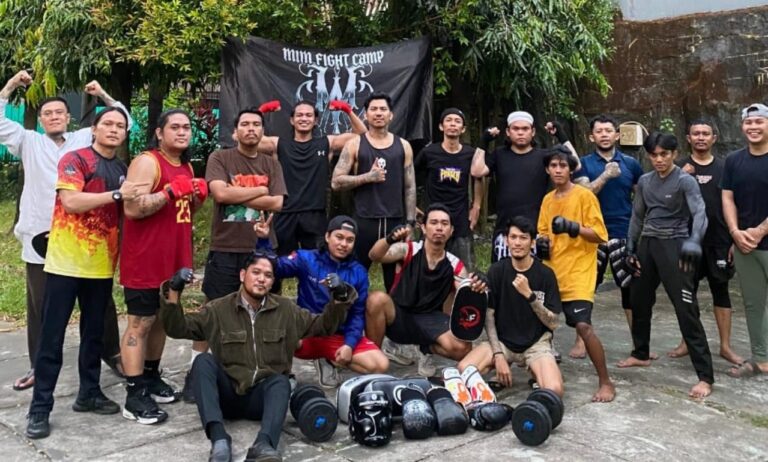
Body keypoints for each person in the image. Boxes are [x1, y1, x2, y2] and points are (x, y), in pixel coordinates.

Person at [0, 70, 129, 390]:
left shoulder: (83, 139)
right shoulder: (28, 141)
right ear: (41, 120)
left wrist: (103, 95)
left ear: (68, 118)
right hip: (41, 233)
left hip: (84, 234)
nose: (54, 117)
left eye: (59, 112)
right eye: (47, 114)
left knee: (101, 301)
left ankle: (112, 353)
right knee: (41, 303)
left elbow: (122, 120)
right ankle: (38, 364)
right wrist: (11, 85)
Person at [159, 255, 356, 462]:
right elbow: (176, 328)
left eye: (268, 275)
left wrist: (340, 295)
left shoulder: (286, 310)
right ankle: (219, 440)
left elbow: (324, 326)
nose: (262, 279)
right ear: (242, 275)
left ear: (272, 282)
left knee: (281, 381)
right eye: (256, 272)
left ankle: (264, 444)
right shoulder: (218, 309)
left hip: (261, 400)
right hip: (227, 396)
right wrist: (174, 290)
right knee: (202, 362)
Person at [25, 108, 146, 439]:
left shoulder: (122, 169)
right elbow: (71, 201)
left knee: (94, 335)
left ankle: (89, 393)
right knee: (52, 338)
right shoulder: (75, 159)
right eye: (108, 124)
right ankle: (40, 408)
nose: (114, 129)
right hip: (65, 263)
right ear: (94, 129)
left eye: (120, 126)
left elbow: (130, 212)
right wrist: (118, 194)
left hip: (101, 266)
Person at [185, 107, 287, 402]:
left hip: (262, 249)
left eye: (256, 124)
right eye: (245, 124)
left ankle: (264, 371)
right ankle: (195, 373)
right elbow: (221, 194)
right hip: (225, 248)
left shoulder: (271, 163)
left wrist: (240, 192)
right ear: (235, 132)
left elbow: (278, 203)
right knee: (212, 310)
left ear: (263, 131)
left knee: (266, 312)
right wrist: (261, 191)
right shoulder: (220, 158)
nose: (251, 129)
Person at [119, 109, 208, 424]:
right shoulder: (147, 162)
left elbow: (181, 213)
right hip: (145, 260)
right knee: (140, 324)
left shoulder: (185, 165)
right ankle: (134, 394)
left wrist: (197, 198)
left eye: (186, 127)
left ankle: (151, 375)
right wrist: (168, 191)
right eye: (175, 127)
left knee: (161, 320)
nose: (182, 132)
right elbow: (132, 208)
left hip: (173, 260)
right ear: (159, 132)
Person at [617, 132, 714, 399]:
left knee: (685, 308)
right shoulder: (645, 181)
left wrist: (694, 240)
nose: (659, 159)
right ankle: (641, 353)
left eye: (664, 154)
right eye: (654, 155)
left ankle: (705, 377)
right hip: (648, 244)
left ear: (674, 154)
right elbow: (637, 216)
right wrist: (630, 247)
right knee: (638, 300)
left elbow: (700, 212)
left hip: (675, 245)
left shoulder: (684, 180)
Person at [254, 214, 388, 387]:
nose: (343, 244)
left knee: (380, 365)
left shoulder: (359, 272)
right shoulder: (306, 258)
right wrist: (264, 240)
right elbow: (274, 269)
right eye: (339, 237)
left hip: (337, 335)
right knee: (275, 332)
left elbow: (357, 314)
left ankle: (330, 360)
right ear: (327, 236)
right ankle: (281, 376)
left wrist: (349, 345)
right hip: (305, 332)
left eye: (349, 240)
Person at [365, 203, 487, 377]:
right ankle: (373, 358)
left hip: (431, 320)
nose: (439, 228)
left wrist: (479, 283)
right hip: (399, 315)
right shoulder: (408, 249)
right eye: (434, 222)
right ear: (423, 227)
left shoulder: (456, 265)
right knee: (375, 299)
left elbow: (466, 296)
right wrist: (389, 239)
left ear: (451, 230)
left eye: (444, 224)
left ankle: (426, 349)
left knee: (462, 348)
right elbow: (374, 255)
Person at [537, 146, 615, 402]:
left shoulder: (584, 196)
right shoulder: (547, 200)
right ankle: (540, 375)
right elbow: (543, 231)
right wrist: (541, 242)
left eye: (563, 165)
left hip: (579, 271)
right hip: (552, 271)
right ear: (547, 170)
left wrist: (573, 227)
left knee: (583, 326)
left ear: (570, 169)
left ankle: (606, 382)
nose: (558, 170)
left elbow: (600, 234)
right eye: (553, 166)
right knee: (539, 326)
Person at [458, 216, 564, 396]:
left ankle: (536, 370)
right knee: (463, 370)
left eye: (523, 238)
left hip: (536, 344)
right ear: (506, 241)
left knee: (554, 390)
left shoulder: (546, 274)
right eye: (513, 237)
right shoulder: (496, 271)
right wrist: (498, 356)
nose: (517, 243)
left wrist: (530, 296)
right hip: (503, 343)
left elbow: (553, 323)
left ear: (532, 242)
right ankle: (501, 370)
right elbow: (489, 316)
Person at [667, 119, 742, 365]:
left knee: (721, 291)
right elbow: (665, 201)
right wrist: (680, 177)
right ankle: (686, 342)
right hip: (686, 241)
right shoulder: (677, 167)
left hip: (719, 240)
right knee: (686, 292)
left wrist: (734, 238)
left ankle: (725, 346)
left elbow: (736, 202)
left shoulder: (725, 167)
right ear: (688, 138)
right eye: (696, 133)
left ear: (714, 138)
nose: (700, 137)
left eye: (705, 134)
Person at [572, 114, 645, 359]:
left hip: (623, 232)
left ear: (617, 135)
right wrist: (605, 175)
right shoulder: (582, 164)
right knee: (586, 289)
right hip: (591, 235)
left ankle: (639, 344)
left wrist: (640, 228)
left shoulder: (631, 164)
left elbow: (642, 197)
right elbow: (584, 193)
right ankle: (581, 341)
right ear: (591, 137)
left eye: (608, 130)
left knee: (630, 290)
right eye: (599, 131)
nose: (604, 135)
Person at [331, 92, 417, 290]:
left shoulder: (403, 146)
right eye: (374, 109)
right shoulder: (355, 144)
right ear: (366, 115)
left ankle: (393, 311)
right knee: (353, 281)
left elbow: (410, 187)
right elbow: (336, 182)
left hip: (395, 222)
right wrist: (367, 177)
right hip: (364, 221)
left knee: (397, 285)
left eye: (383, 109)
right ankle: (352, 310)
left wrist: (411, 223)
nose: (378, 113)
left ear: (391, 115)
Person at [257, 99, 366, 254]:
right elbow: (248, 137)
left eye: (309, 115)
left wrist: (346, 109)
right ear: (292, 120)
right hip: (284, 213)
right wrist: (262, 110)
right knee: (280, 262)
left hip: (315, 214)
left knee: (316, 263)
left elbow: (362, 136)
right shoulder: (277, 144)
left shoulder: (327, 143)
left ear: (315, 121)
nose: (304, 118)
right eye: (299, 115)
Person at [471, 111, 580, 262]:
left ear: (533, 132)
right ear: (508, 132)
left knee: (536, 275)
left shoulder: (544, 156)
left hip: (537, 230)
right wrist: (484, 141)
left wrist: (561, 136)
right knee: (502, 274)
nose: (520, 132)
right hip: (505, 231)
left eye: (525, 129)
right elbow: (476, 171)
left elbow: (576, 165)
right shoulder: (499, 154)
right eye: (516, 129)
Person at [721, 103, 768, 378]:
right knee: (753, 304)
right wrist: (735, 232)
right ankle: (761, 359)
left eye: (759, 121)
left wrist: (760, 230)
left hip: (759, 238)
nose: (753, 127)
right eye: (749, 123)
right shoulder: (733, 161)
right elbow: (727, 197)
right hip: (744, 245)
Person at [415, 107, 484, 269]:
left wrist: (476, 206)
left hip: (460, 217)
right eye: (449, 120)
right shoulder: (429, 152)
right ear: (441, 126)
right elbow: (409, 176)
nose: (453, 124)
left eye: (457, 121)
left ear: (463, 128)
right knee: (425, 266)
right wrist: (412, 206)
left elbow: (478, 177)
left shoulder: (470, 153)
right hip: (433, 216)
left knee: (464, 268)